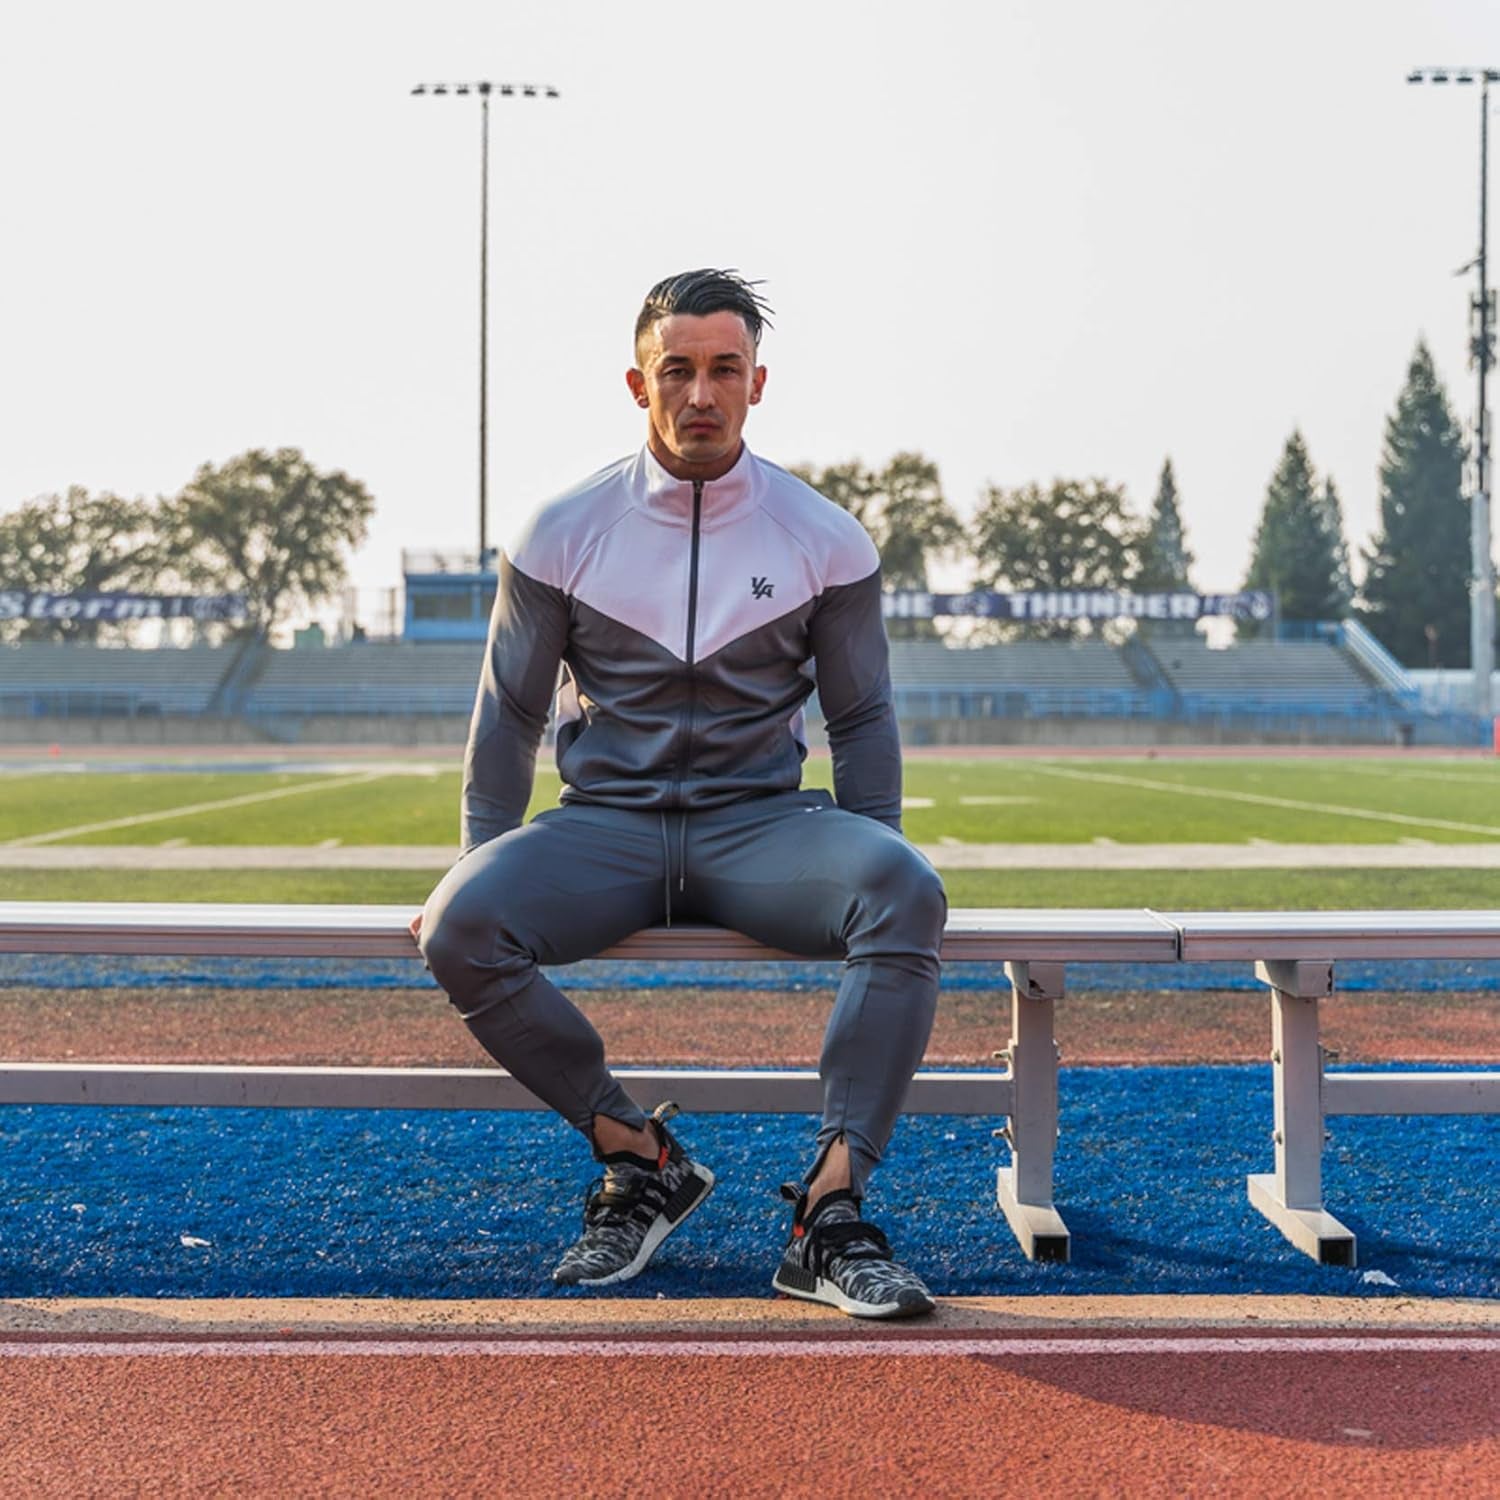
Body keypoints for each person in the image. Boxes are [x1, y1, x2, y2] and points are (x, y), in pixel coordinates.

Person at [414, 268, 946, 1319]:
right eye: (677, 371)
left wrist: (874, 851)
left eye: (724, 370)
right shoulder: (563, 530)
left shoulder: (824, 536)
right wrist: (479, 854)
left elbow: (862, 719)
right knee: (459, 923)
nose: (701, 393)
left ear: (758, 383)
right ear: (638, 383)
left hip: (763, 830)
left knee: (904, 890)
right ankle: (640, 1157)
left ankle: (830, 1215)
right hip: (606, 829)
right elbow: (509, 715)